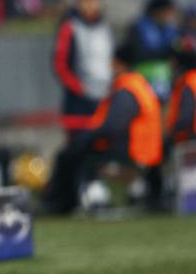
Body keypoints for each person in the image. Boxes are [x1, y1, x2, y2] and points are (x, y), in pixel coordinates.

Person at [45, 46, 163, 212]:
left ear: (117, 63)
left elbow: (113, 125)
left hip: (134, 152)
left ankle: (62, 202)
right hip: (146, 151)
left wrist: (89, 136)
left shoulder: (127, 89)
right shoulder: (140, 86)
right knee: (75, 152)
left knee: (73, 155)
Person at [52, 0, 113, 136]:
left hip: (103, 99)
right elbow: (60, 65)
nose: (91, 4)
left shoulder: (104, 27)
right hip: (78, 104)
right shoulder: (70, 27)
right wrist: (80, 88)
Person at [122, 0, 179, 101]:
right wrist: (167, 52)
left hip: (162, 86)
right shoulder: (139, 27)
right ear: (159, 11)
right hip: (140, 83)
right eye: (168, 11)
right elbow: (137, 52)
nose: (170, 16)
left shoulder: (170, 30)